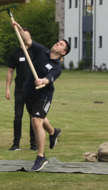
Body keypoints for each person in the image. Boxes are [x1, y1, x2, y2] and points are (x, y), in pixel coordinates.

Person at [11, 21, 69, 172]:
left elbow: (48, 79)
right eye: (58, 42)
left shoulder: (57, 67)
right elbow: (27, 40)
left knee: (36, 122)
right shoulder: (41, 50)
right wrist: (17, 27)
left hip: (43, 96)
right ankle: (53, 132)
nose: (58, 43)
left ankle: (41, 157)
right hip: (28, 92)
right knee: (40, 119)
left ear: (63, 52)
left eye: (61, 44)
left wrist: (41, 80)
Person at [5, 27, 36, 151]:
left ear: (30, 38)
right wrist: (7, 88)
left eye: (25, 36)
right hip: (19, 90)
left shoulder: (35, 52)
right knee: (18, 117)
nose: (23, 38)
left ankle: (33, 144)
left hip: (33, 90)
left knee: (33, 117)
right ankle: (16, 144)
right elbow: (10, 71)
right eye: (21, 36)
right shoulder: (15, 53)